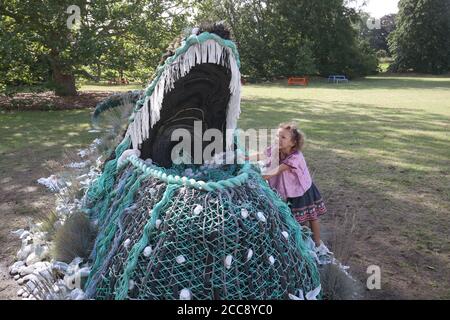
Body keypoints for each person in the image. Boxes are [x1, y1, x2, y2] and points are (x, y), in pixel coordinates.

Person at [252, 122, 331, 260]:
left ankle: (318, 245)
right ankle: (302, 237)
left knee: (311, 217)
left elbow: (273, 172)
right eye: (277, 135)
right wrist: (243, 157)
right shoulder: (276, 149)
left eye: (283, 137)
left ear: (293, 142)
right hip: (287, 191)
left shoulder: (295, 157)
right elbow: (262, 155)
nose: (278, 139)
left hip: (301, 191)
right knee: (295, 217)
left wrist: (253, 176)